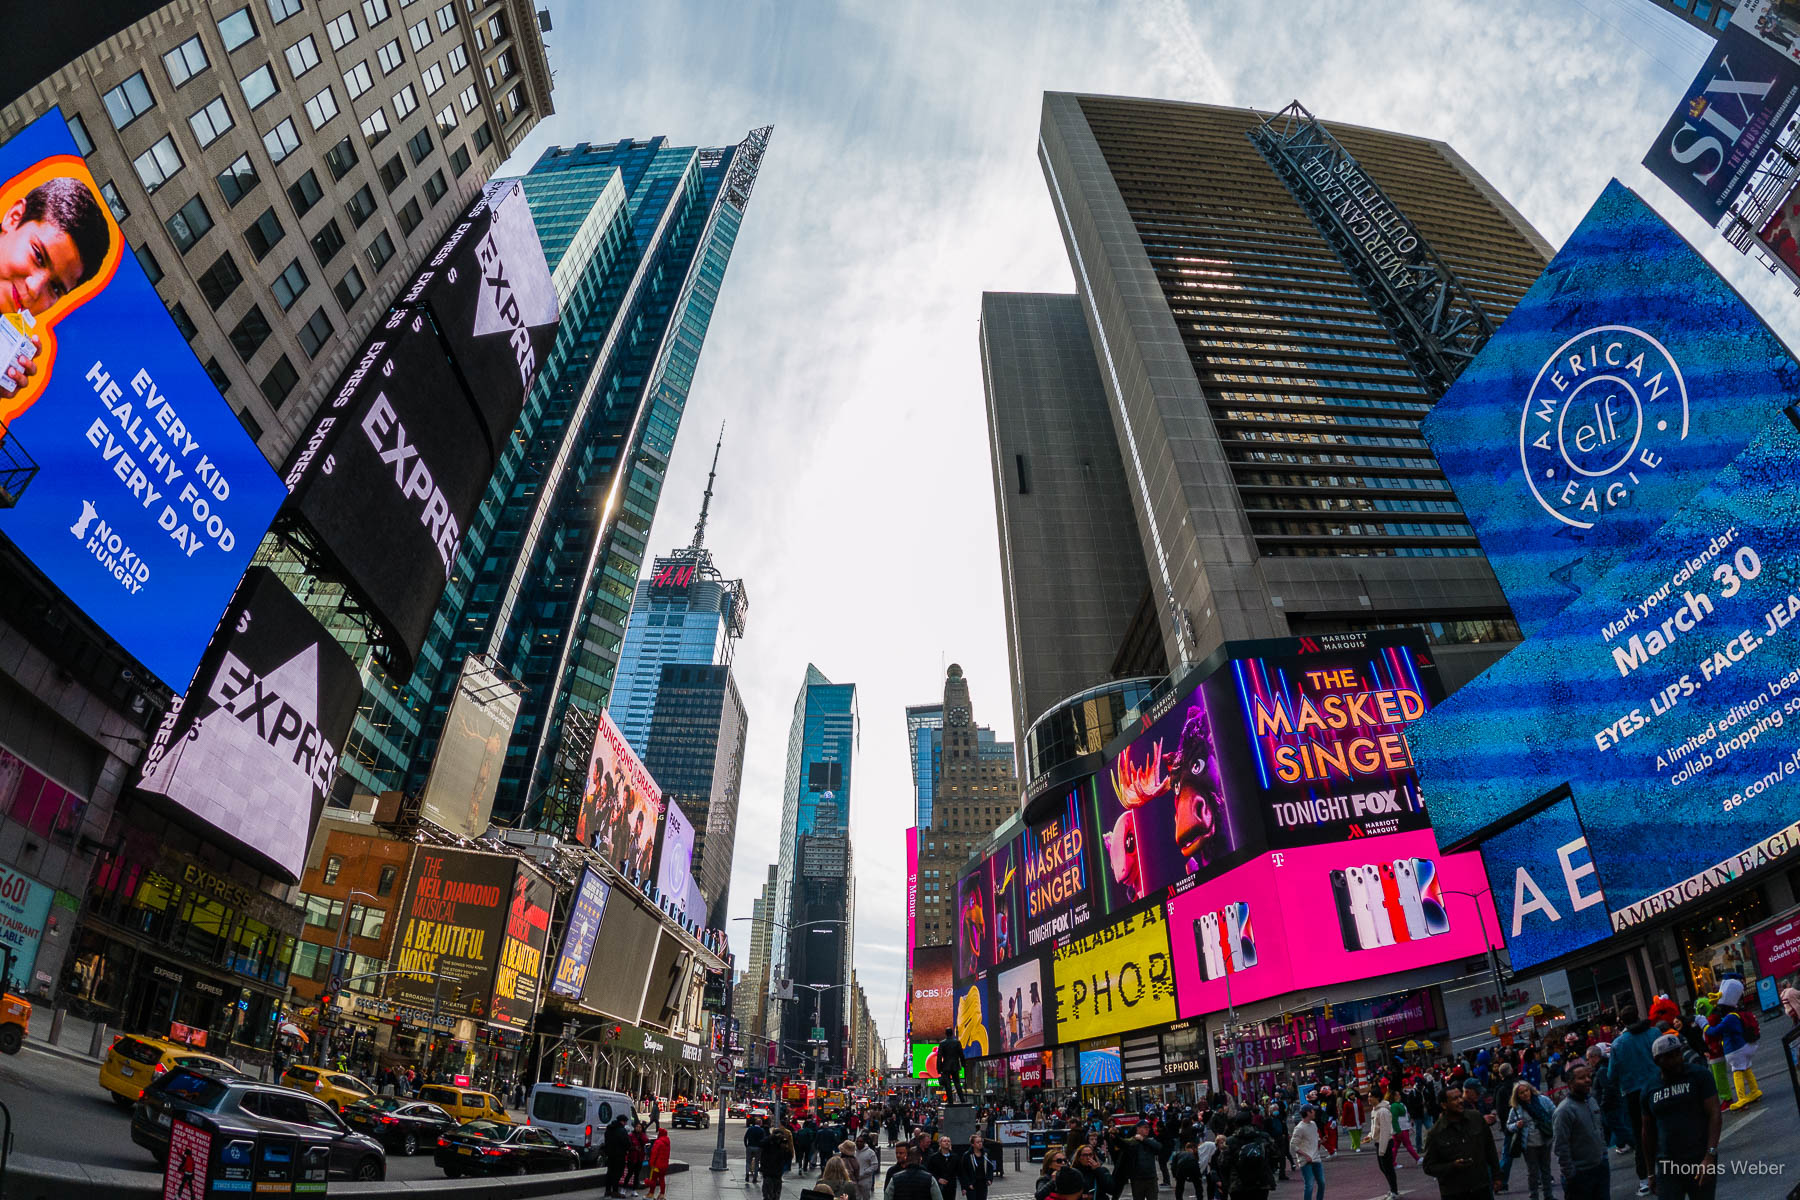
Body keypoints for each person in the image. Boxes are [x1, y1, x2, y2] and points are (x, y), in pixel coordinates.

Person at [1642, 1033, 1720, 1200]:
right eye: (1669, 1056)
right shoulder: (1649, 1088)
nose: (1676, 1059)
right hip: (1667, 1164)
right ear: (1657, 1060)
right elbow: (1647, 1132)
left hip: (1699, 1158)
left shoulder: (1699, 1076)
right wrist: (1650, 1173)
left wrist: (1710, 1155)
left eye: (1678, 1053)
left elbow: (1714, 1114)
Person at [1607, 1006, 1660, 1196]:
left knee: (1640, 1136)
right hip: (1658, 1085)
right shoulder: (1654, 1032)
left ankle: (1645, 1180)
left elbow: (1611, 1075)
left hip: (1633, 1093)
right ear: (1638, 1015)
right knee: (1664, 1126)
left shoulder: (1618, 1044)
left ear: (1622, 1021)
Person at [1419, 1082, 1499, 1200]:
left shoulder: (1476, 1118)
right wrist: (1452, 1166)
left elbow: (1490, 1148)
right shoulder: (1436, 1133)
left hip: (1480, 1186)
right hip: (1454, 1191)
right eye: (1454, 1099)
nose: (1460, 1101)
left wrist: (1497, 1175)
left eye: (1460, 1097)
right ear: (1444, 1105)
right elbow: (1429, 1167)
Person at [1552, 1063, 1608, 1200]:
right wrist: (1571, 1174)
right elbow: (1561, 1147)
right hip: (1580, 1175)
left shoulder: (1592, 1101)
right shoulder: (1564, 1111)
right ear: (1570, 1083)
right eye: (1582, 1078)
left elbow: (1599, 1130)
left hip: (1600, 1168)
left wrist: (1604, 1156)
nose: (1588, 1080)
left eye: (1588, 1076)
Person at [1504, 1082, 1554, 1200]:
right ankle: (1534, 1196)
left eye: (1526, 1091)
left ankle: (1548, 1195)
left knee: (1546, 1169)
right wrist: (1516, 1125)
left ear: (1531, 1090)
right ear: (1517, 1096)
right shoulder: (1516, 1109)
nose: (1525, 1094)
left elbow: (1554, 1112)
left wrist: (1550, 1123)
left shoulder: (1543, 1100)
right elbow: (1508, 1125)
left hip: (1545, 1139)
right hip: (1529, 1144)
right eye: (1521, 1093)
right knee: (1533, 1172)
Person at [1218, 1112, 1278, 1200]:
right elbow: (1276, 1154)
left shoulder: (1230, 1141)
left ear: (1236, 1124)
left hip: (1238, 1184)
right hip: (1261, 1182)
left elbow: (1222, 1163)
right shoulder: (1263, 1137)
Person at [1111, 1120, 1163, 1200]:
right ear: (1138, 1129)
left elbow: (1159, 1147)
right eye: (1145, 1127)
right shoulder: (1133, 1141)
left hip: (1151, 1178)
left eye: (1148, 1128)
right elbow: (1122, 1143)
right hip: (1137, 1179)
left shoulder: (1150, 1141)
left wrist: (1143, 1139)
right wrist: (1115, 1136)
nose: (1147, 1129)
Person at [1289, 1106, 1323, 1200]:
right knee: (1309, 1185)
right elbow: (1293, 1145)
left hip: (1316, 1158)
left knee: (1321, 1183)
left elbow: (1315, 1137)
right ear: (1308, 1113)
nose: (1314, 1112)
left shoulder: (1313, 1124)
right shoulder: (1299, 1128)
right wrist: (1305, 1155)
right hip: (1306, 1161)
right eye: (1313, 1111)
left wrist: (1320, 1141)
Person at [1370, 1089, 1398, 1200]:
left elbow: (1385, 1131)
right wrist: (1370, 1135)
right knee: (1384, 1168)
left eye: (1371, 1096)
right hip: (1379, 1142)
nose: (1369, 1099)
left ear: (1377, 1098)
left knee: (1388, 1168)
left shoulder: (1383, 1111)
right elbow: (1376, 1127)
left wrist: (1382, 1149)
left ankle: (1394, 1191)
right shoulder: (1375, 1110)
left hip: (1384, 1142)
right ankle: (1392, 1189)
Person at [959, 1133, 996, 1200]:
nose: (980, 1143)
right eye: (977, 1142)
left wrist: (990, 1179)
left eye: (981, 1142)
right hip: (972, 1184)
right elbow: (963, 1172)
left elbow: (990, 1167)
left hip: (983, 1183)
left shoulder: (986, 1153)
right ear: (972, 1144)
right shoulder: (967, 1155)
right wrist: (967, 1184)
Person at [764, 1126, 796, 1200]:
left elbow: (789, 1156)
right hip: (773, 1174)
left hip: (771, 1174)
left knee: (770, 1195)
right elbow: (789, 1156)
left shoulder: (770, 1147)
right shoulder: (769, 1146)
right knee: (773, 1195)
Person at [604, 1115, 631, 1198]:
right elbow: (626, 1143)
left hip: (610, 1154)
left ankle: (608, 1190)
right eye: (625, 1122)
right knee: (617, 1173)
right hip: (619, 1155)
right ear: (622, 1121)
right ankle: (615, 1191)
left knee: (610, 1172)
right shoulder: (622, 1130)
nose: (625, 1123)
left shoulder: (609, 1129)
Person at [938, 1029, 967, 1104]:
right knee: (957, 1083)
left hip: (946, 1066)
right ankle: (962, 1100)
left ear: (946, 1034)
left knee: (948, 1085)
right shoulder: (957, 1042)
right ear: (952, 1033)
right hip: (955, 1066)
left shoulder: (942, 1043)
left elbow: (939, 1057)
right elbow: (961, 1055)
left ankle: (950, 1101)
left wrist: (939, 1068)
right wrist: (964, 1064)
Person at [644, 1127, 671, 1199]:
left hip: (657, 1165)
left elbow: (654, 1154)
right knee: (662, 1179)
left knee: (653, 1179)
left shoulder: (658, 1142)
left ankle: (651, 1193)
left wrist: (651, 1163)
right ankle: (662, 1194)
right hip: (664, 1165)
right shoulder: (667, 1142)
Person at [858, 1135, 882, 1200]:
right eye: (857, 1141)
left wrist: (865, 1172)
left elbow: (875, 1165)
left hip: (866, 1180)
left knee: (866, 1197)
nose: (859, 1143)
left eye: (861, 1141)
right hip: (855, 1179)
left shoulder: (870, 1152)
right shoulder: (853, 1152)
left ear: (864, 1142)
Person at [749, 1116, 770, 1185]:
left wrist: (747, 1145)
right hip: (759, 1148)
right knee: (757, 1161)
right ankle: (755, 1176)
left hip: (751, 1147)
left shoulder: (753, 1129)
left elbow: (746, 1137)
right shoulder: (763, 1131)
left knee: (750, 1161)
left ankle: (749, 1172)